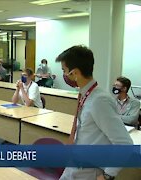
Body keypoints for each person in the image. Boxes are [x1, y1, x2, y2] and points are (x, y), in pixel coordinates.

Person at [56, 45, 133, 180]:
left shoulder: (100, 100)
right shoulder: (86, 94)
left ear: (75, 73)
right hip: (74, 165)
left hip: (88, 172)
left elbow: (125, 143)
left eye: (64, 71)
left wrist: (108, 175)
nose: (64, 75)